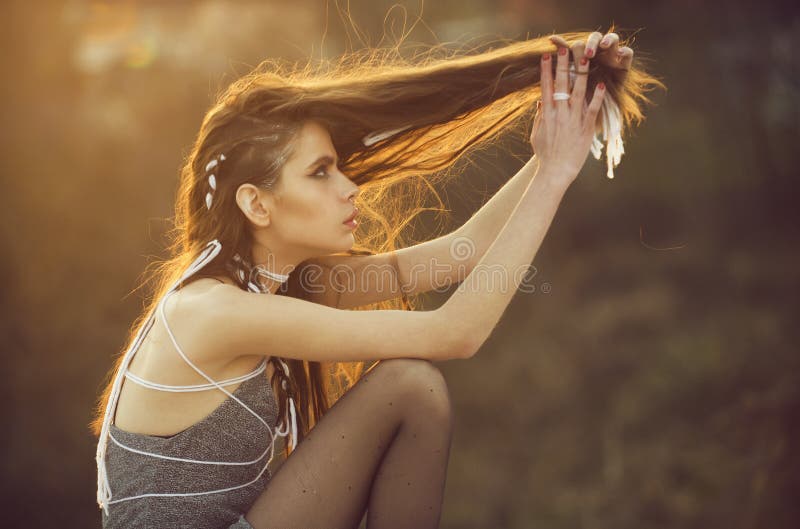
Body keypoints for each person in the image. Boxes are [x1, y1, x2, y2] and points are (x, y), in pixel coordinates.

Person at [90, 27, 661, 529]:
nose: (350, 187)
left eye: (338, 166)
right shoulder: (215, 313)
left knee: (413, 386)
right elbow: (455, 334)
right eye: (320, 172)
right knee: (409, 385)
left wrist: (548, 154)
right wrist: (554, 177)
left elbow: (461, 254)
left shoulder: (282, 286)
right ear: (257, 205)